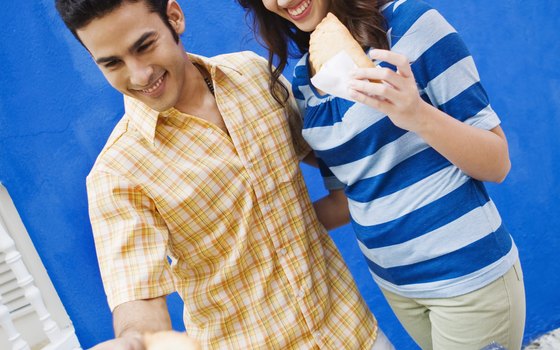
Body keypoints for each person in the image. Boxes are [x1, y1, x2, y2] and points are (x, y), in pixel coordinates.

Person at [54, 0, 395, 349]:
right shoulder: (117, 174)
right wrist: (133, 343)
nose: (139, 75)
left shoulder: (253, 76)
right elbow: (139, 301)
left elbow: (343, 159)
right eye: (113, 63)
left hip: (354, 333)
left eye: (145, 46)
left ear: (174, 17)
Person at [235, 0, 526, 349]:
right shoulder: (304, 82)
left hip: (467, 280)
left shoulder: (411, 25)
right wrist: (256, 230)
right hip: (398, 289)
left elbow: (497, 163)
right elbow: (350, 198)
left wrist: (416, 113)